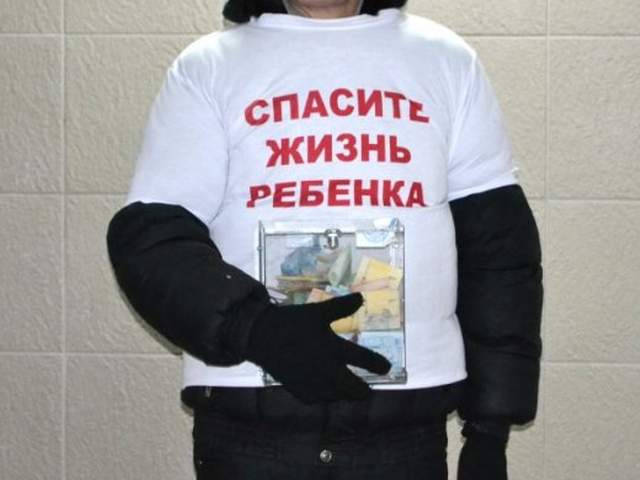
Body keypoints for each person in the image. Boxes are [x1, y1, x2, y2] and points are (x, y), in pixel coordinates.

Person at [106, 0, 543, 478]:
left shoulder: (446, 60)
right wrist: (253, 327)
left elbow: (499, 253)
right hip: (249, 434)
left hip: (403, 441)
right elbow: (152, 238)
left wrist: (489, 430)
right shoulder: (208, 66)